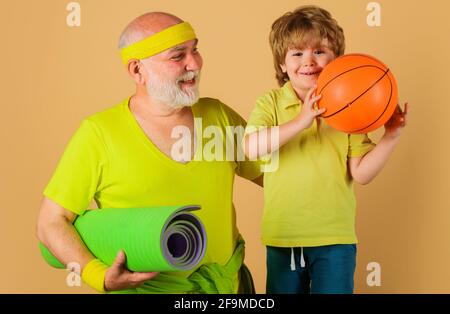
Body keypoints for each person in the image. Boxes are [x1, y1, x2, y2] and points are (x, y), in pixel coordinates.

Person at [37, 12, 262, 294]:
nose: (194, 63)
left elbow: (277, 175)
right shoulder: (99, 133)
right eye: (177, 55)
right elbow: (50, 222)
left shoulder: (217, 116)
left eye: (195, 49)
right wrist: (99, 276)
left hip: (231, 288)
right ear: (137, 70)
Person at [243, 5, 408, 294]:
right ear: (282, 64)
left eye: (319, 51)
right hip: (285, 238)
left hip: (335, 239)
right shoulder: (270, 102)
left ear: (337, 59)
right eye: (297, 53)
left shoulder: (353, 108)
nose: (309, 61)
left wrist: (391, 136)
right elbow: (251, 147)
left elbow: (361, 173)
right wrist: (301, 120)